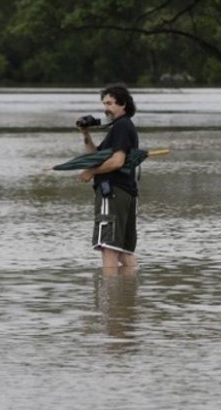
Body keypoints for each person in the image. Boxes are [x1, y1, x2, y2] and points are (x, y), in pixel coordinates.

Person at [78, 85, 140, 273]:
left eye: (110, 103)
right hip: (126, 192)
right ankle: (128, 293)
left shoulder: (121, 126)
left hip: (112, 191)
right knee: (123, 251)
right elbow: (94, 155)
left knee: (108, 247)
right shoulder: (121, 127)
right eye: (104, 103)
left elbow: (117, 161)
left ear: (123, 104)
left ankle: (109, 297)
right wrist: (85, 133)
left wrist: (91, 172)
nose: (106, 108)